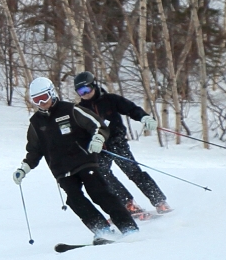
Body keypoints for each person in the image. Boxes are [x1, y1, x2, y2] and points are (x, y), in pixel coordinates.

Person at [13, 77, 138, 240]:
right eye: (37, 99)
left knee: (100, 193)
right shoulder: (36, 123)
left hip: (84, 161)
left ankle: (128, 227)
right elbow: (34, 151)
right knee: (74, 200)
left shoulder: (70, 110)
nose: (42, 102)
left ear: (52, 93)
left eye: (45, 97)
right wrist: (24, 168)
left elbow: (98, 125)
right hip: (61, 170)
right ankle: (102, 230)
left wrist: (98, 138)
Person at [73, 70, 171, 216]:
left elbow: (131, 109)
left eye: (87, 89)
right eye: (80, 91)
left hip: (117, 142)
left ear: (94, 85)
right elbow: (79, 132)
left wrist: (144, 118)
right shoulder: (80, 110)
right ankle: (128, 204)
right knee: (103, 175)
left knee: (133, 171)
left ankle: (159, 201)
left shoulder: (110, 100)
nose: (85, 94)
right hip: (100, 148)